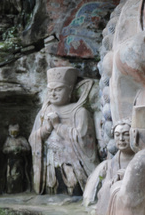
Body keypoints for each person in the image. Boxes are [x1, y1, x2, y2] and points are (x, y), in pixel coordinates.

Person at [29, 67, 98, 195]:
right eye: (50, 90)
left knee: (73, 189)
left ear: (70, 90)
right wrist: (46, 129)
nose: (53, 94)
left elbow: (83, 138)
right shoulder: (44, 112)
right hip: (50, 161)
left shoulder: (79, 112)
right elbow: (33, 138)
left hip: (71, 161)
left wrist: (58, 126)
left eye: (58, 89)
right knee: (54, 187)